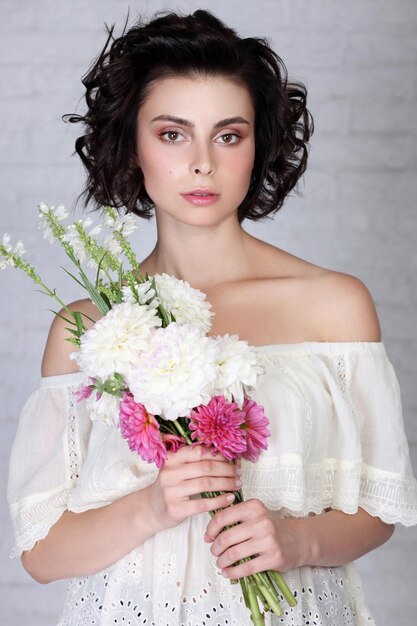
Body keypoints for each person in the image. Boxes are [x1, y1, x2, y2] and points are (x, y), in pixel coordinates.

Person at [7, 9, 417, 626]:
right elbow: (39, 552)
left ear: (259, 146)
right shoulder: (91, 328)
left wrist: (297, 541)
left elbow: (380, 509)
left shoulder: (333, 304)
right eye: (172, 133)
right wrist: (153, 506)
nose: (202, 162)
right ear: (133, 144)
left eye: (228, 135)